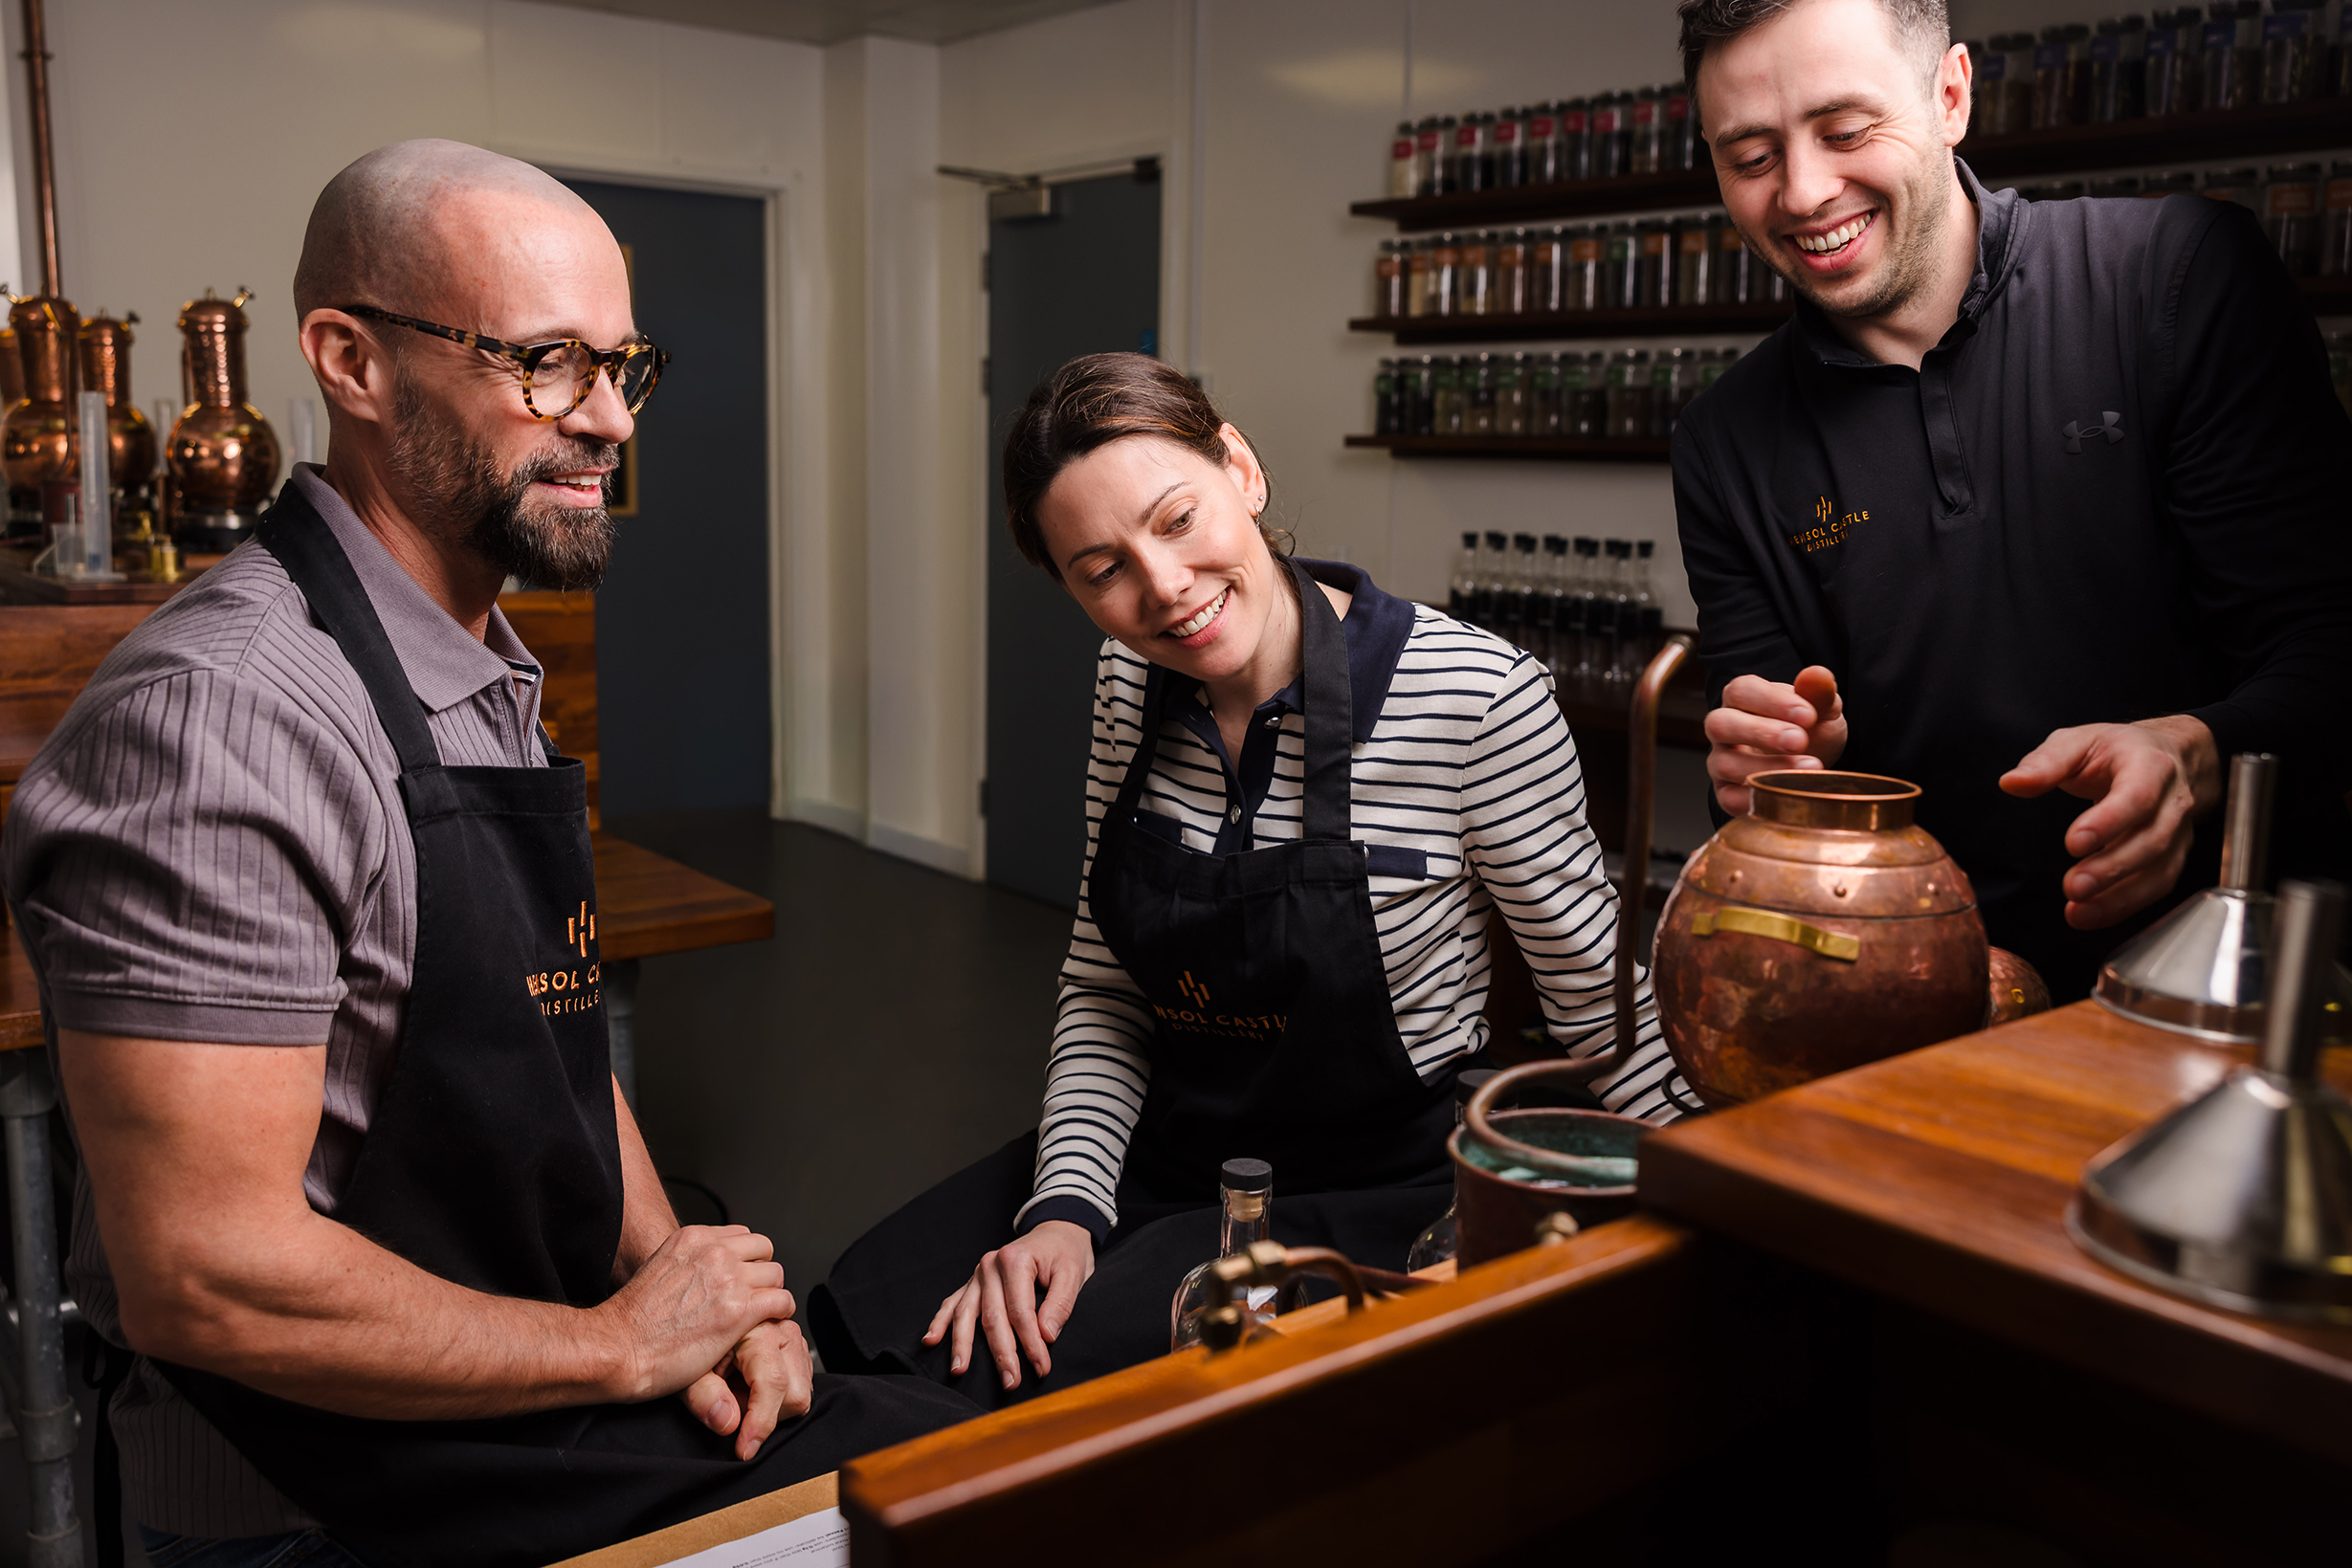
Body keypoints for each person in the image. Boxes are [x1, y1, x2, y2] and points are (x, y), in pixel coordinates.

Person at [0, 141, 970, 1568]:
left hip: (531, 1397)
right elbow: (205, 1277)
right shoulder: (221, 722)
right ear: (351, 361)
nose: (607, 422)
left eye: (621, 367)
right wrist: (619, 1342)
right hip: (325, 1504)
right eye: (545, 364)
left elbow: (552, 1023)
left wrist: (676, 1272)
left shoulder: (477, 660)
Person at [810, 353, 1686, 1408]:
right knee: (858, 1309)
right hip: (1165, 1147)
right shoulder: (1132, 682)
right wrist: (1067, 1210)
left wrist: (1723, 1201)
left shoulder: (1476, 696)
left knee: (999, 1383)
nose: (1163, 588)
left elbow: (1598, 1005)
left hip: (1364, 1190)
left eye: (1177, 520)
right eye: (1103, 570)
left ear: (1241, 469)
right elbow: (1105, 986)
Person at [1671, 0, 2352, 1001]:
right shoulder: (1722, 438)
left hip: (2231, 999)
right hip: (1919, 1003)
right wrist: (1763, 771)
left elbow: (2332, 647)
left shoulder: (2175, 278)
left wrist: (2193, 751)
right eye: (1750, 155)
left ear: (1950, 95)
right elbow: (1772, 769)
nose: (1805, 192)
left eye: (1846, 131)